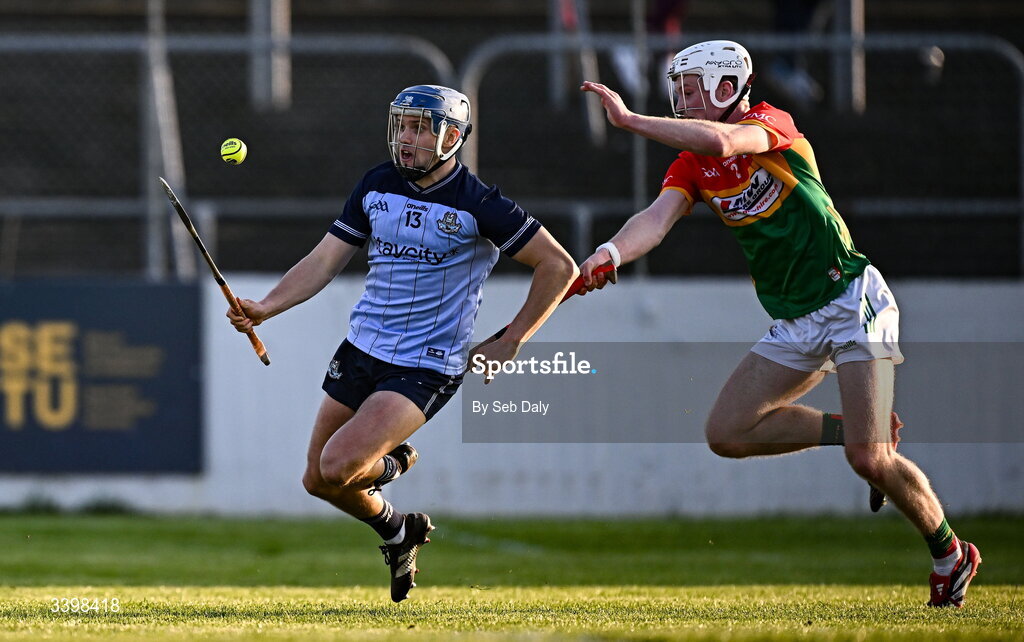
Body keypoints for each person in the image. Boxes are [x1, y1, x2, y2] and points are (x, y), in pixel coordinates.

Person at [578, 40, 981, 608]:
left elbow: (722, 139)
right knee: (727, 433)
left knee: (870, 461)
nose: (681, 98)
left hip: (850, 298)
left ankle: (950, 553)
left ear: (727, 87)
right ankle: (851, 426)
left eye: (691, 87)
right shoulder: (692, 165)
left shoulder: (770, 123)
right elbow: (655, 219)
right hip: (795, 318)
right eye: (679, 87)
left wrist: (628, 119)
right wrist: (610, 255)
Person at [227, 85, 578, 602]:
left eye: (419, 128)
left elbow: (559, 266)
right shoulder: (376, 184)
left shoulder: (480, 203)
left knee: (338, 466)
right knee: (317, 481)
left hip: (427, 364)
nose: (406, 138)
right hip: (362, 348)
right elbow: (325, 260)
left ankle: (396, 462)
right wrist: (266, 306)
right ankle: (398, 531)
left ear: (452, 137)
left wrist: (513, 338)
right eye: (402, 126)